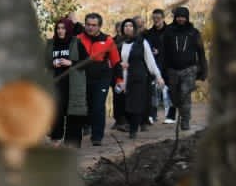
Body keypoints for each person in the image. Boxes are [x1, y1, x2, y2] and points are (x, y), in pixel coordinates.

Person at [157, 6, 208, 130]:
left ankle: (185, 121)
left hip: (189, 69)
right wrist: (161, 71)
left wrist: (204, 70)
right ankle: (179, 113)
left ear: (187, 18)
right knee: (175, 98)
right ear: (175, 17)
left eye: (183, 17)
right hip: (172, 70)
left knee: (185, 95)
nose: (181, 19)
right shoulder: (168, 31)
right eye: (179, 17)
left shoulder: (194, 32)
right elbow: (163, 53)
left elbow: (201, 52)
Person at [75, 12, 121, 146]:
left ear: (99, 26)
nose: (90, 28)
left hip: (102, 77)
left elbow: (116, 61)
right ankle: (87, 125)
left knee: (98, 106)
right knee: (86, 106)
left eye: (94, 25)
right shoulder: (78, 39)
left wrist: (119, 80)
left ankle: (97, 136)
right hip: (83, 77)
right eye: (88, 25)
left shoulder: (107, 40)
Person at [117, 17, 165, 138]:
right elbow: (113, 60)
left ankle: (133, 130)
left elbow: (150, 61)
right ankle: (133, 124)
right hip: (123, 78)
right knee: (125, 105)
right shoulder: (119, 44)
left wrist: (158, 76)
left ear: (134, 28)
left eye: (130, 26)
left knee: (136, 104)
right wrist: (120, 64)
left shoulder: (142, 42)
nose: (128, 28)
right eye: (125, 26)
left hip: (139, 77)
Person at [49, 17, 87, 147]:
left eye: (63, 28)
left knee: (73, 112)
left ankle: (72, 142)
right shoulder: (51, 44)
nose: (60, 31)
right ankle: (55, 139)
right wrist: (52, 63)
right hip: (56, 83)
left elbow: (87, 62)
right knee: (56, 112)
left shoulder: (76, 42)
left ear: (69, 29)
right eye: (58, 28)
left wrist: (70, 62)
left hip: (73, 84)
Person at [141, 8, 168, 124]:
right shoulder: (149, 33)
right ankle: (152, 114)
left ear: (163, 18)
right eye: (154, 18)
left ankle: (170, 115)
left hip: (167, 64)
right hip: (153, 65)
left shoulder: (169, 31)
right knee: (152, 91)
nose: (156, 20)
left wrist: (161, 51)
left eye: (158, 18)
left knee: (168, 91)